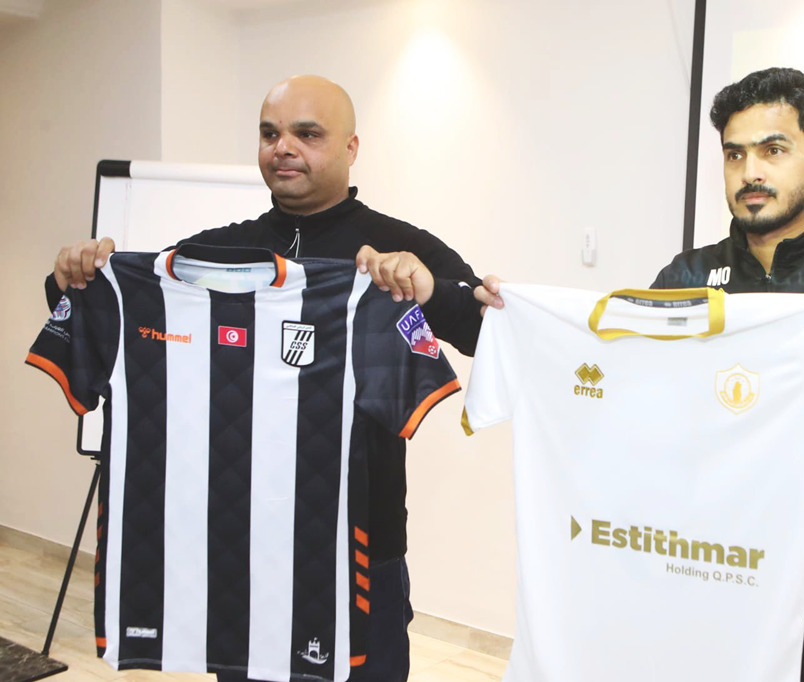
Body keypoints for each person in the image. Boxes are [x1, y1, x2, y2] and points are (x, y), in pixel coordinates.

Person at [476, 66, 804, 681]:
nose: (750, 171)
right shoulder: (687, 276)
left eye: (773, 151)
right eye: (734, 154)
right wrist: (532, 328)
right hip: (698, 580)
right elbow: (620, 402)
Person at [51, 75, 484, 682]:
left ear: (351, 148)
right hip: (241, 546)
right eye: (269, 133)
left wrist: (429, 290)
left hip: (363, 544)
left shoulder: (398, 247)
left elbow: (485, 331)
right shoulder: (218, 252)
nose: (284, 147)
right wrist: (72, 277)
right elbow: (113, 312)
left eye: (308, 134)